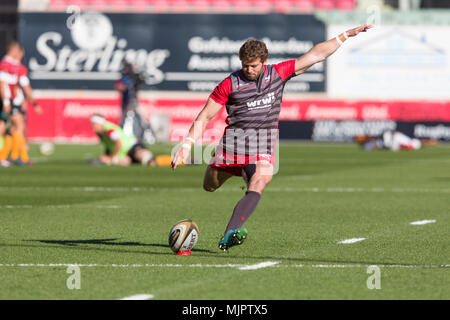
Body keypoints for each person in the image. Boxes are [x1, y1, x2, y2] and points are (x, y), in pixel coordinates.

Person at [171, 24, 373, 252]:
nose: (248, 69)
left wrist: (346, 35)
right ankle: (224, 178)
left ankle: (231, 232)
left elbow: (315, 55)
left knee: (260, 180)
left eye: (253, 65)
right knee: (209, 186)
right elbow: (205, 115)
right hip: (232, 145)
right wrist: (186, 146)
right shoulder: (230, 84)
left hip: (261, 146)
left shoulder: (277, 73)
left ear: (263, 62)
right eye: (245, 65)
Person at [0, 40, 42, 166]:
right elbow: (3, 85)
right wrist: (7, 101)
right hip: (9, 101)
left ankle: (5, 157)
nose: (22, 53)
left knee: (10, 128)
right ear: (14, 51)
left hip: (9, 101)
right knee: (18, 126)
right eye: (20, 50)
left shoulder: (8, 65)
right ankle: (16, 156)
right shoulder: (10, 66)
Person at [89, 114, 171, 167]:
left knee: (147, 160)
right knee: (110, 160)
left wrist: (110, 157)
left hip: (132, 146)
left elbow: (119, 144)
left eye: (95, 124)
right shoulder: (101, 133)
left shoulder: (109, 130)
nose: (94, 127)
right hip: (125, 153)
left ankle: (177, 160)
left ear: (100, 123)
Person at [355, 130, 438, 151]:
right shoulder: (367, 146)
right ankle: (430, 142)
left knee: (412, 143)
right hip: (392, 141)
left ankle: (430, 141)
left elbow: (375, 139)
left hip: (394, 137)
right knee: (412, 144)